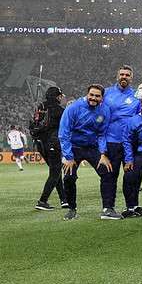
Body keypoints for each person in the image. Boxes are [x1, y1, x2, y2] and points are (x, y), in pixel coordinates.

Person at [58, 84, 117, 220]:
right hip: (73, 147)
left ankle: (108, 209)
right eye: (92, 95)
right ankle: (72, 210)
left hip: (92, 148)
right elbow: (63, 133)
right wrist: (68, 156)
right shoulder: (73, 108)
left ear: (102, 98)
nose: (94, 98)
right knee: (69, 177)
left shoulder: (105, 110)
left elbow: (102, 134)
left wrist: (103, 154)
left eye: (97, 96)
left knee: (107, 171)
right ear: (87, 94)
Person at [103, 66, 141, 210]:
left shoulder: (137, 96)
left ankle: (131, 207)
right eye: (122, 74)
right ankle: (108, 208)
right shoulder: (106, 93)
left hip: (130, 143)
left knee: (131, 177)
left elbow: (139, 118)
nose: (124, 77)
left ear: (131, 78)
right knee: (110, 177)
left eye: (127, 75)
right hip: (111, 142)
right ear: (117, 76)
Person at [31, 87, 66, 210]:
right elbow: (65, 129)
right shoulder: (60, 110)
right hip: (53, 145)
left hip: (41, 145)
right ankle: (42, 201)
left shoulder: (39, 108)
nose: (61, 98)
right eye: (60, 96)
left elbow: (32, 127)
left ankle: (64, 200)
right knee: (55, 173)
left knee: (55, 172)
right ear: (57, 96)